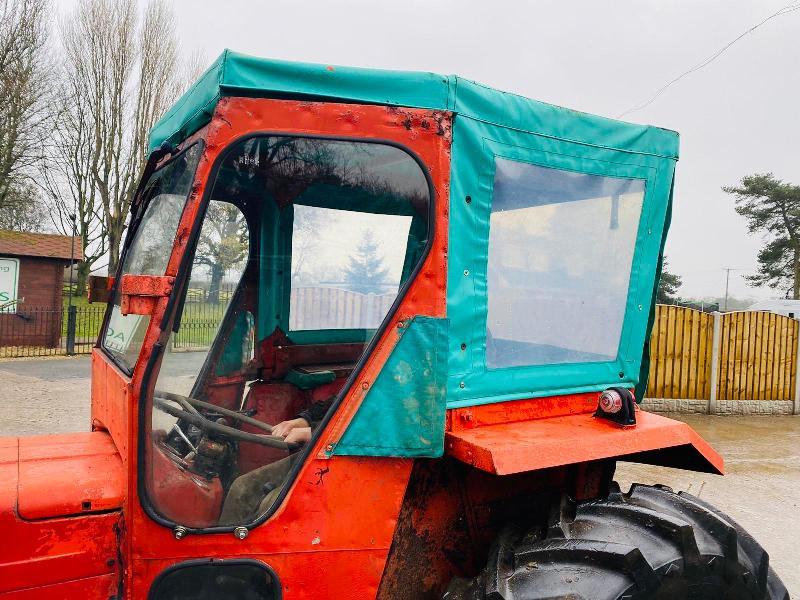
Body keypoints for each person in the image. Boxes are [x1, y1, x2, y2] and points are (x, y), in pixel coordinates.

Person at [218, 396, 334, 525]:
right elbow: (340, 400)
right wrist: (305, 419)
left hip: (338, 458)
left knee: (271, 506)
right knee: (241, 488)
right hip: (319, 449)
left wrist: (311, 433)